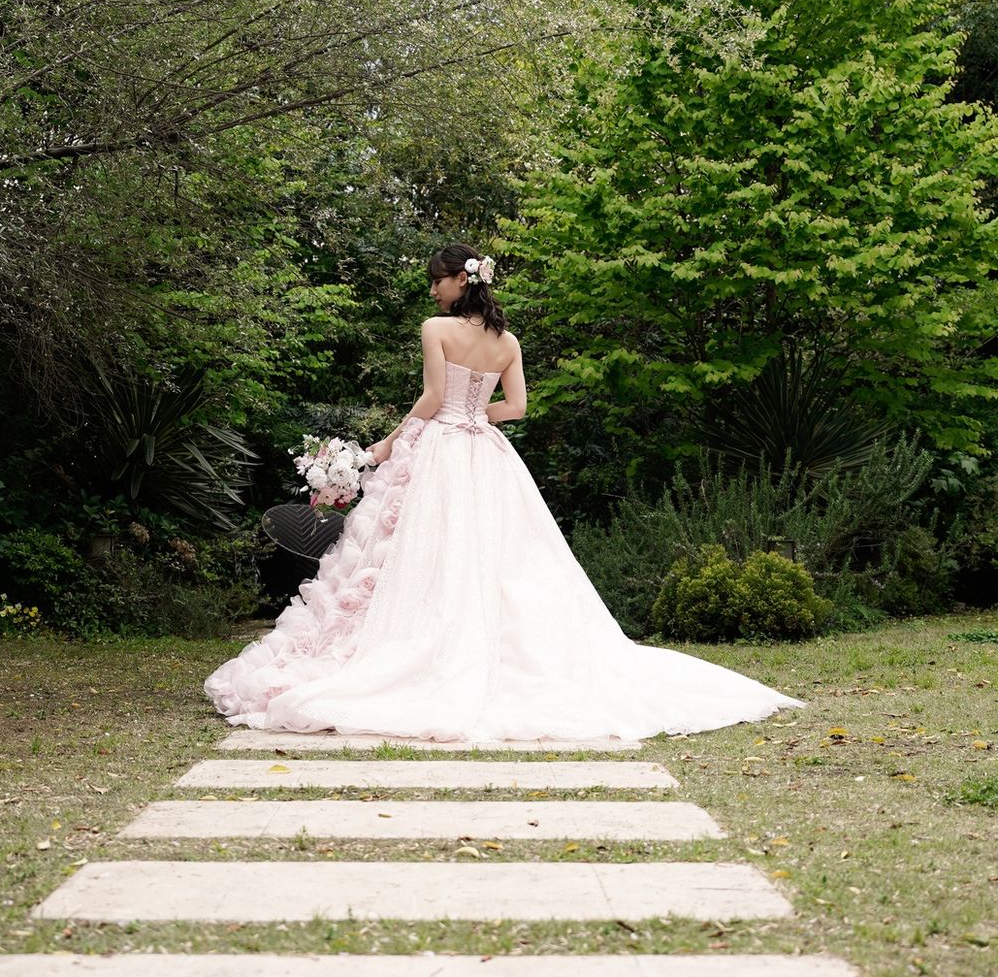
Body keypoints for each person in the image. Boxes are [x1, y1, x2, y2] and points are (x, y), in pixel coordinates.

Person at [204, 244, 802, 740]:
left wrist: (388, 443)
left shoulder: (436, 329)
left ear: (460, 281)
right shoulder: (507, 341)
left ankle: (427, 646)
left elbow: (432, 398)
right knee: (502, 555)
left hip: (441, 449)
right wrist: (474, 415)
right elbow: (516, 407)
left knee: (432, 553)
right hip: (487, 453)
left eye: (437, 281)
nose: (432, 291)